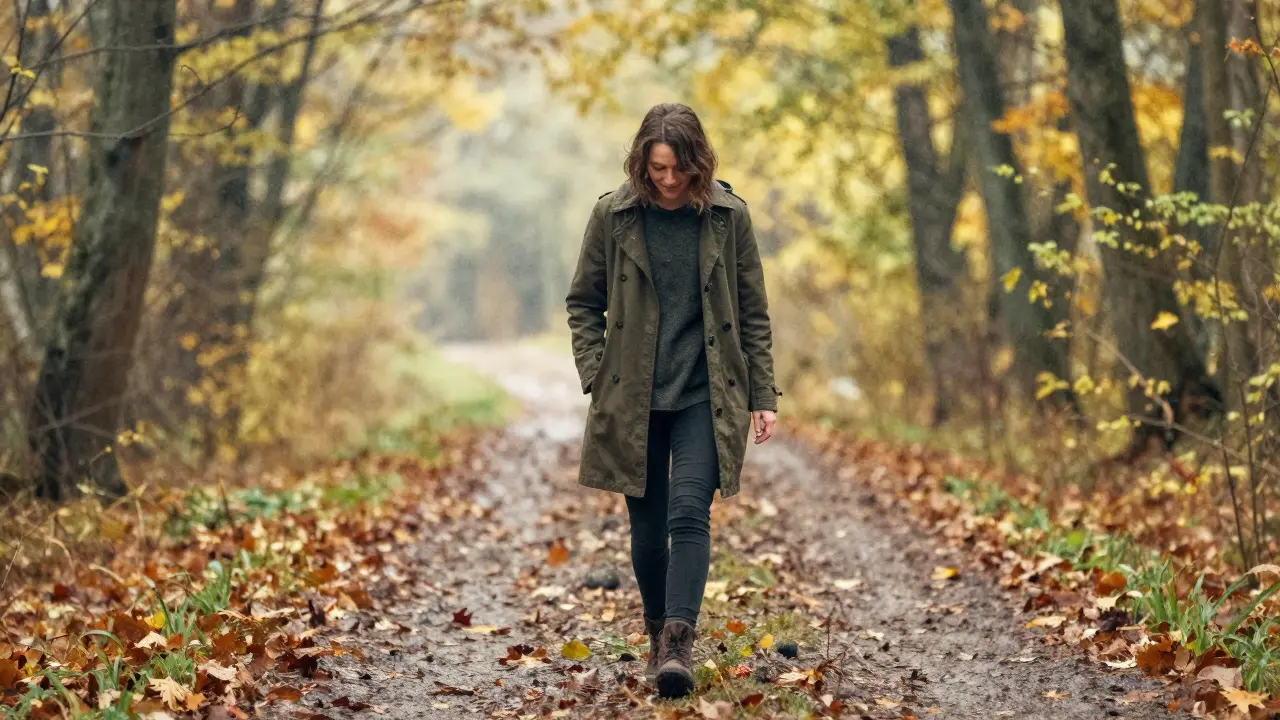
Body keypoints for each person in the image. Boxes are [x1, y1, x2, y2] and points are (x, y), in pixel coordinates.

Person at [564, 102, 781, 699]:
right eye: (657, 168)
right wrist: (596, 374)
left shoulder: (727, 217)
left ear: (697, 163)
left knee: (690, 514)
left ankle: (679, 645)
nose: (667, 180)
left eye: (678, 169)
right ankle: (658, 631)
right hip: (631, 396)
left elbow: (753, 312)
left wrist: (763, 394)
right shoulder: (613, 215)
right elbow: (583, 303)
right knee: (648, 525)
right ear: (643, 160)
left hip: (705, 393)